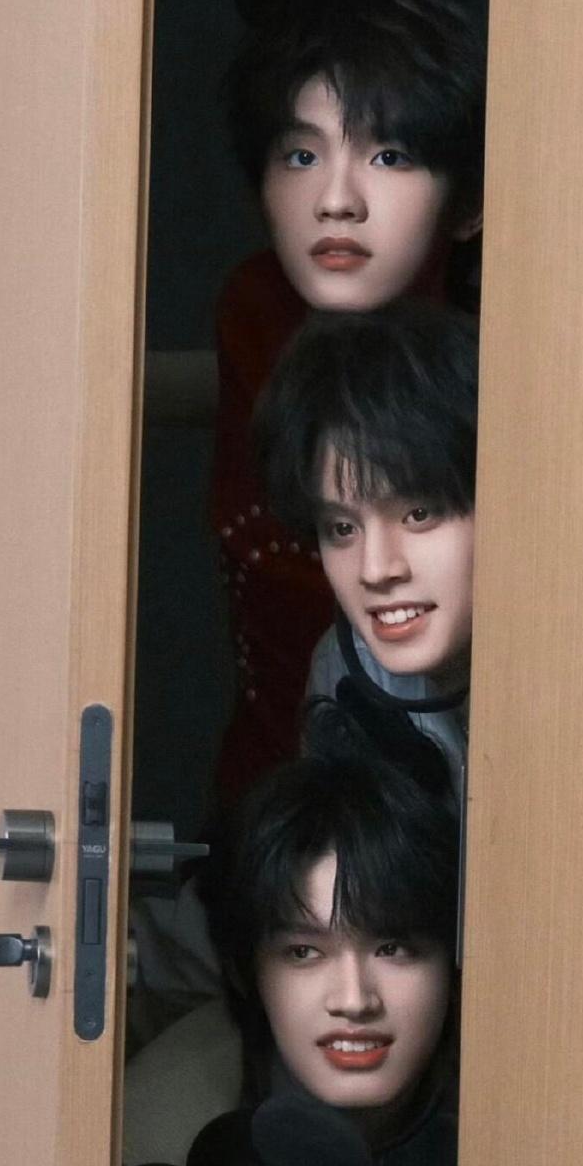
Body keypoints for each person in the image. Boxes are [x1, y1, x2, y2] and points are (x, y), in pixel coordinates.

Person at [209, 0, 484, 796]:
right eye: (300, 155)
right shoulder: (256, 314)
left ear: (470, 199)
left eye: (389, 154)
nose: (337, 199)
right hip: (282, 786)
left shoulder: (508, 363)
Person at [193, 750, 459, 1166]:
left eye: (392, 948)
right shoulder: (172, 1126)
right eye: (304, 952)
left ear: (455, 962)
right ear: (244, 970)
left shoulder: (513, 1145)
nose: (355, 1000)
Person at [254, 303, 476, 808]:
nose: (376, 569)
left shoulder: (574, 666)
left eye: (418, 514)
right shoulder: (346, 668)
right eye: (342, 528)